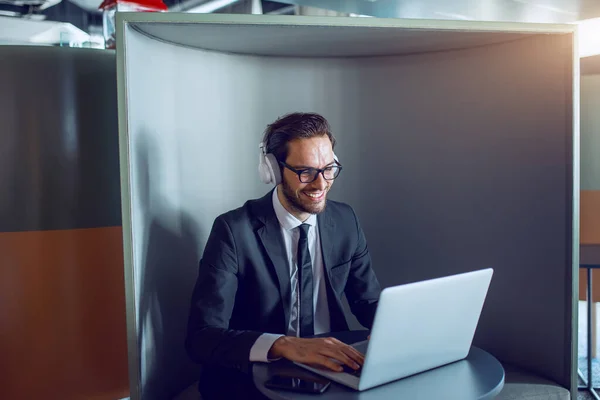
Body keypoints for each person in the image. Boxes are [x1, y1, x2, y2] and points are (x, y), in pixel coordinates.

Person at [185, 112, 381, 399]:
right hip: (256, 375)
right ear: (273, 170)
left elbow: (368, 301)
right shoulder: (233, 230)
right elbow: (202, 337)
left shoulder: (345, 220)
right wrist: (284, 345)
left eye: (329, 169)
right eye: (306, 172)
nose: (320, 184)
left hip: (333, 369)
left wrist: (395, 334)